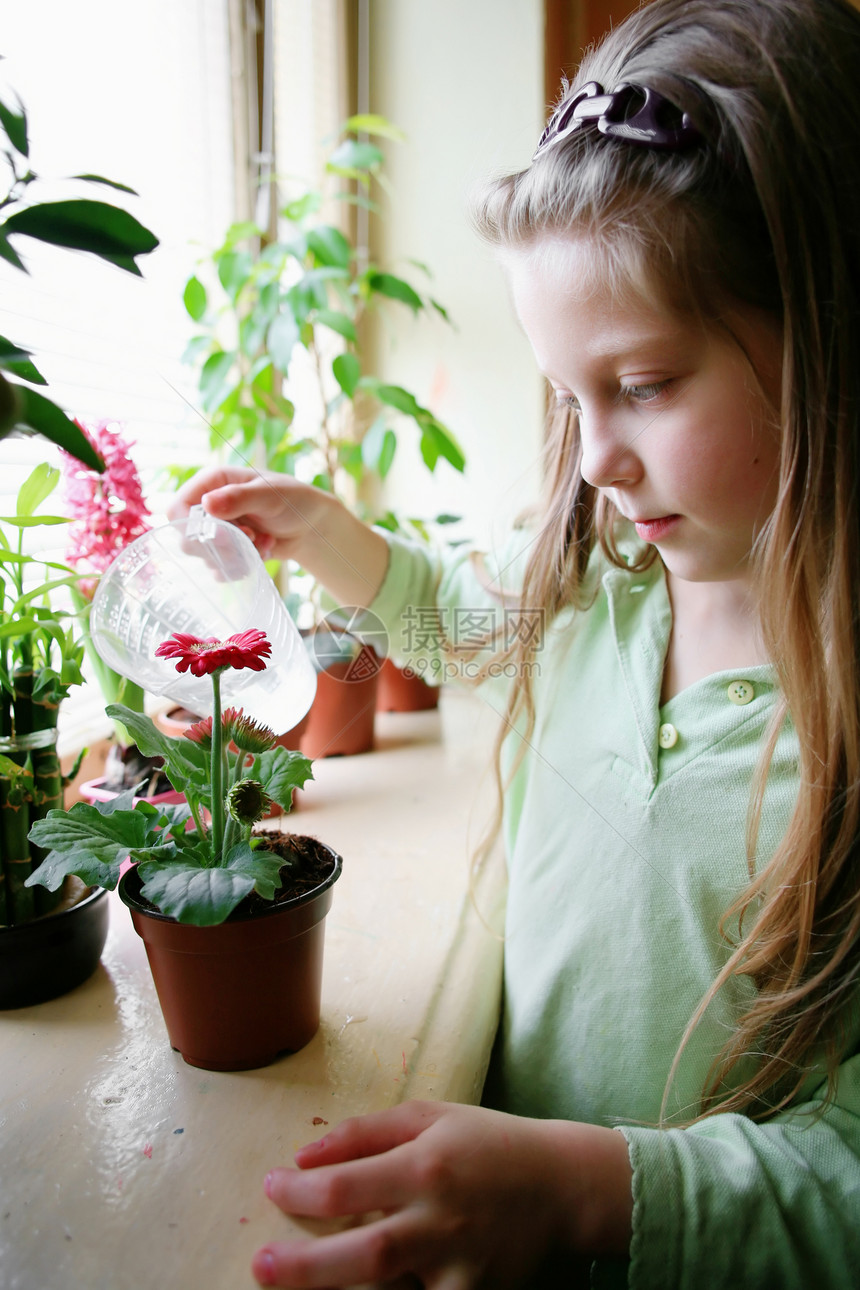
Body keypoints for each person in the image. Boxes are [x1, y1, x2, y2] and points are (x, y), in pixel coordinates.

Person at [172, 1, 860, 1284]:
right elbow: (459, 620)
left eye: (643, 385)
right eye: (565, 396)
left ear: (824, 333)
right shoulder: (604, 583)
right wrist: (327, 533)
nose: (595, 458)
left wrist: (589, 1193)